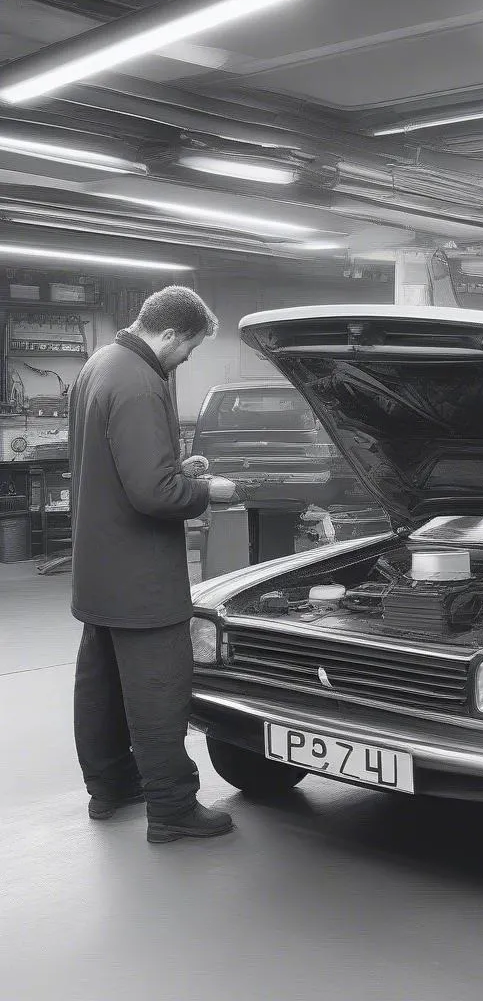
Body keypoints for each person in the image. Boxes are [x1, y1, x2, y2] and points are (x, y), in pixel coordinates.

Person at [68, 285, 239, 843]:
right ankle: (172, 807)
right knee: (159, 689)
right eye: (187, 349)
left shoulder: (101, 364)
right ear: (169, 334)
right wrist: (208, 488)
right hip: (140, 575)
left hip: (100, 566)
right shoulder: (140, 381)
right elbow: (154, 495)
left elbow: (119, 466)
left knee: (101, 687)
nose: (185, 359)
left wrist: (174, 466)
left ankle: (111, 788)